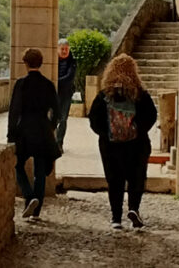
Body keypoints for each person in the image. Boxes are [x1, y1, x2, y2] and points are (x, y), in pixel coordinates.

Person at [88, 54, 157, 230]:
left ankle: (116, 218)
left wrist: (106, 134)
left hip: (111, 146)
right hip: (137, 145)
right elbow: (152, 116)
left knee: (115, 180)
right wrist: (137, 131)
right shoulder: (140, 94)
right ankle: (133, 209)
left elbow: (94, 119)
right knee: (136, 179)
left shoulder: (104, 95)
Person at [7, 48, 60, 220]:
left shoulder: (21, 84)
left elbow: (14, 110)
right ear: (41, 62)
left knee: (18, 165)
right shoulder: (47, 84)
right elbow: (57, 111)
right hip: (43, 128)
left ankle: (29, 196)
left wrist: (11, 133)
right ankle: (36, 209)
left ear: (26, 63)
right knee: (40, 168)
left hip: (25, 129)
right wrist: (50, 126)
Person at [55, 38, 77, 150]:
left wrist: (55, 81)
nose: (64, 51)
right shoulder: (53, 60)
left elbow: (69, 77)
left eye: (66, 49)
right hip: (54, 93)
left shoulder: (72, 62)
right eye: (62, 49)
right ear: (57, 49)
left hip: (66, 94)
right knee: (53, 118)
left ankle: (59, 143)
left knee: (63, 119)